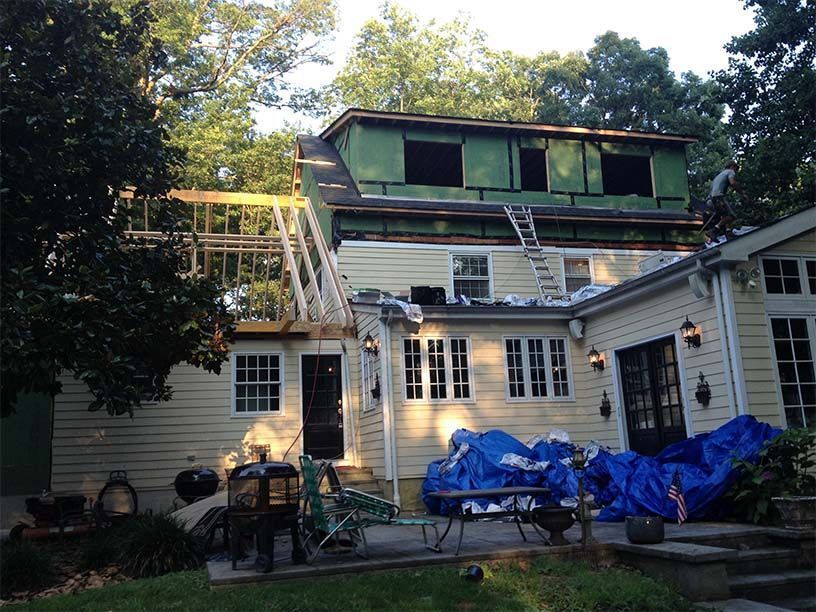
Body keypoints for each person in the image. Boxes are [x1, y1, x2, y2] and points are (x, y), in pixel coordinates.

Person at [706, 160, 749, 240]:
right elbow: (733, 183)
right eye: (736, 168)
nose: (736, 171)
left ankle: (728, 233)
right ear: (732, 166)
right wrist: (742, 193)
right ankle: (714, 230)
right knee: (731, 216)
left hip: (710, 200)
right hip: (718, 197)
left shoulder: (719, 176)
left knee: (725, 216)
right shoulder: (730, 171)